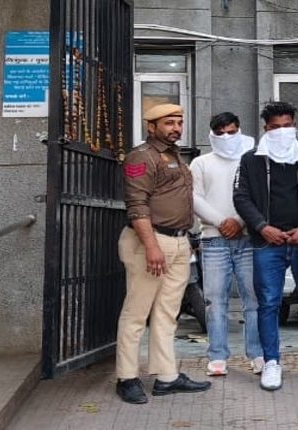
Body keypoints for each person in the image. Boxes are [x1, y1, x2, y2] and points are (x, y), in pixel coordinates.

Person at [233, 101, 298, 391]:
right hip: (268, 242)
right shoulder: (251, 159)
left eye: (287, 126)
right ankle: (271, 362)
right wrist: (262, 227)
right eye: (275, 127)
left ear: (295, 125)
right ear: (265, 128)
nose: (282, 131)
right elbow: (241, 197)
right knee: (269, 303)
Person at [116, 104, 211, 404]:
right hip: (150, 242)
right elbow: (137, 205)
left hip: (178, 242)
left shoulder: (174, 155)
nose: (176, 128)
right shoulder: (141, 156)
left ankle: (166, 376)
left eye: (179, 122)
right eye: (169, 123)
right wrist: (152, 246)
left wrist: (187, 239)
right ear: (151, 126)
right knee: (137, 312)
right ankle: (127, 377)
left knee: (167, 314)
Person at [190, 112, 264, 377]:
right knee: (215, 301)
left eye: (231, 132)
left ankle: (257, 354)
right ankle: (217, 356)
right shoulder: (200, 163)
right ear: (212, 134)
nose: (226, 137)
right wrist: (222, 222)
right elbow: (195, 198)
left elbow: (259, 196)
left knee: (254, 299)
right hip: (213, 239)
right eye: (220, 133)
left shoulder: (253, 159)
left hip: (249, 237)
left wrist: (240, 221)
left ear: (239, 129)